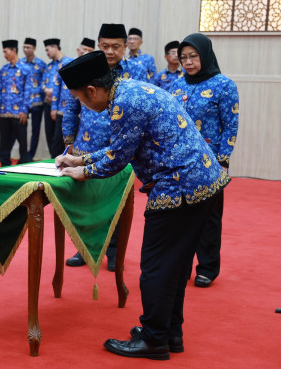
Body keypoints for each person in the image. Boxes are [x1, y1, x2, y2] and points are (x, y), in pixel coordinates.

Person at [56, 51, 230, 360]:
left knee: (156, 268)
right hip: (203, 182)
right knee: (174, 267)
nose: (83, 105)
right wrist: (81, 158)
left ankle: (153, 339)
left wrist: (82, 171)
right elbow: (123, 145)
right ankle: (169, 333)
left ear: (93, 91)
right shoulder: (130, 88)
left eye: (81, 99)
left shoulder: (125, 102)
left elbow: (118, 158)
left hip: (180, 187)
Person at [65, 23, 148, 268]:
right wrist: (69, 139)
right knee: (87, 203)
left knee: (118, 202)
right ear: (98, 45)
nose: (110, 51)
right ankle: (85, 248)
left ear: (125, 46)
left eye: (115, 46)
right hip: (87, 146)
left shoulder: (137, 70)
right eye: (105, 46)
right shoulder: (87, 67)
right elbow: (71, 105)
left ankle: (114, 252)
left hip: (121, 147)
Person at [170, 33, 239, 288]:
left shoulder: (224, 85)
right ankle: (181, 265)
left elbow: (230, 126)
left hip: (210, 163)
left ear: (205, 56)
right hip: (179, 162)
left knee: (208, 217)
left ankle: (208, 267)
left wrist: (223, 161)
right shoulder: (177, 85)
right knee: (179, 215)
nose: (188, 62)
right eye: (183, 57)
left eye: (193, 56)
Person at [0, 39, 31, 166]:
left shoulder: (25, 69)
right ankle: (4, 164)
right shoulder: (4, 69)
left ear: (13, 50)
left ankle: (23, 165)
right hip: (4, 112)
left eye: (6, 52)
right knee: (4, 141)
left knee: (22, 142)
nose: (4, 55)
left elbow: (28, 91)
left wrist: (24, 110)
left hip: (19, 113)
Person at [42, 38, 72, 157]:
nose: (47, 53)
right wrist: (45, 89)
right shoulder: (48, 66)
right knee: (49, 134)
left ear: (55, 47)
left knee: (58, 138)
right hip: (48, 104)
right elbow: (42, 82)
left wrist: (53, 91)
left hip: (61, 107)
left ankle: (59, 159)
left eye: (47, 50)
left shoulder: (67, 62)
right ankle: (52, 158)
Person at [21, 37, 46, 161]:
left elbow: (45, 81)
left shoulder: (41, 64)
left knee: (35, 130)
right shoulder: (20, 63)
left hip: (37, 102)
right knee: (21, 129)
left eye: (28, 47)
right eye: (24, 47)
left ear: (34, 49)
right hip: (24, 103)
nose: (26, 50)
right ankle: (23, 153)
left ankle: (31, 155)